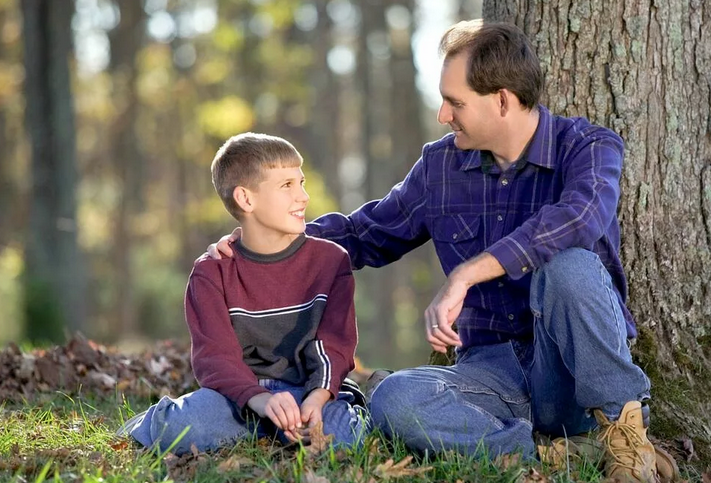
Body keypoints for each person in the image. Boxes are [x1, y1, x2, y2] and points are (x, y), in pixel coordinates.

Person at [209, 22, 676, 482]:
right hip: (490, 379)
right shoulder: (441, 166)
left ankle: (624, 439)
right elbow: (364, 233)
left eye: (455, 103)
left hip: (575, 378)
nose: (442, 115)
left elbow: (580, 219)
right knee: (394, 398)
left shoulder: (589, 148)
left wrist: (468, 274)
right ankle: (544, 454)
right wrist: (262, 239)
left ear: (502, 101)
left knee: (570, 266)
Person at [119, 133, 369, 455]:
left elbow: (334, 345)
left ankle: (298, 424)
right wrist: (261, 401)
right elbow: (216, 359)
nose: (304, 196)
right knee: (185, 428)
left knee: (344, 437)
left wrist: (317, 398)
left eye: (301, 182)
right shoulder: (211, 273)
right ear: (246, 199)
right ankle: (157, 421)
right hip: (241, 399)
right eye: (287, 185)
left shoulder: (331, 261)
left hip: (312, 393)